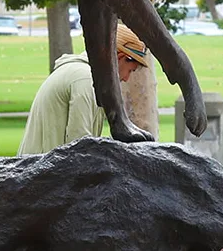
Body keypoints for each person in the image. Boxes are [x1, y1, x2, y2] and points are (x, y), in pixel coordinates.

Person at [18, 24, 148, 155]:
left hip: (44, 169)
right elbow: (81, 147)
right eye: (130, 70)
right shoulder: (85, 79)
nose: (126, 78)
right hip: (43, 172)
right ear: (119, 57)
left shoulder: (85, 76)